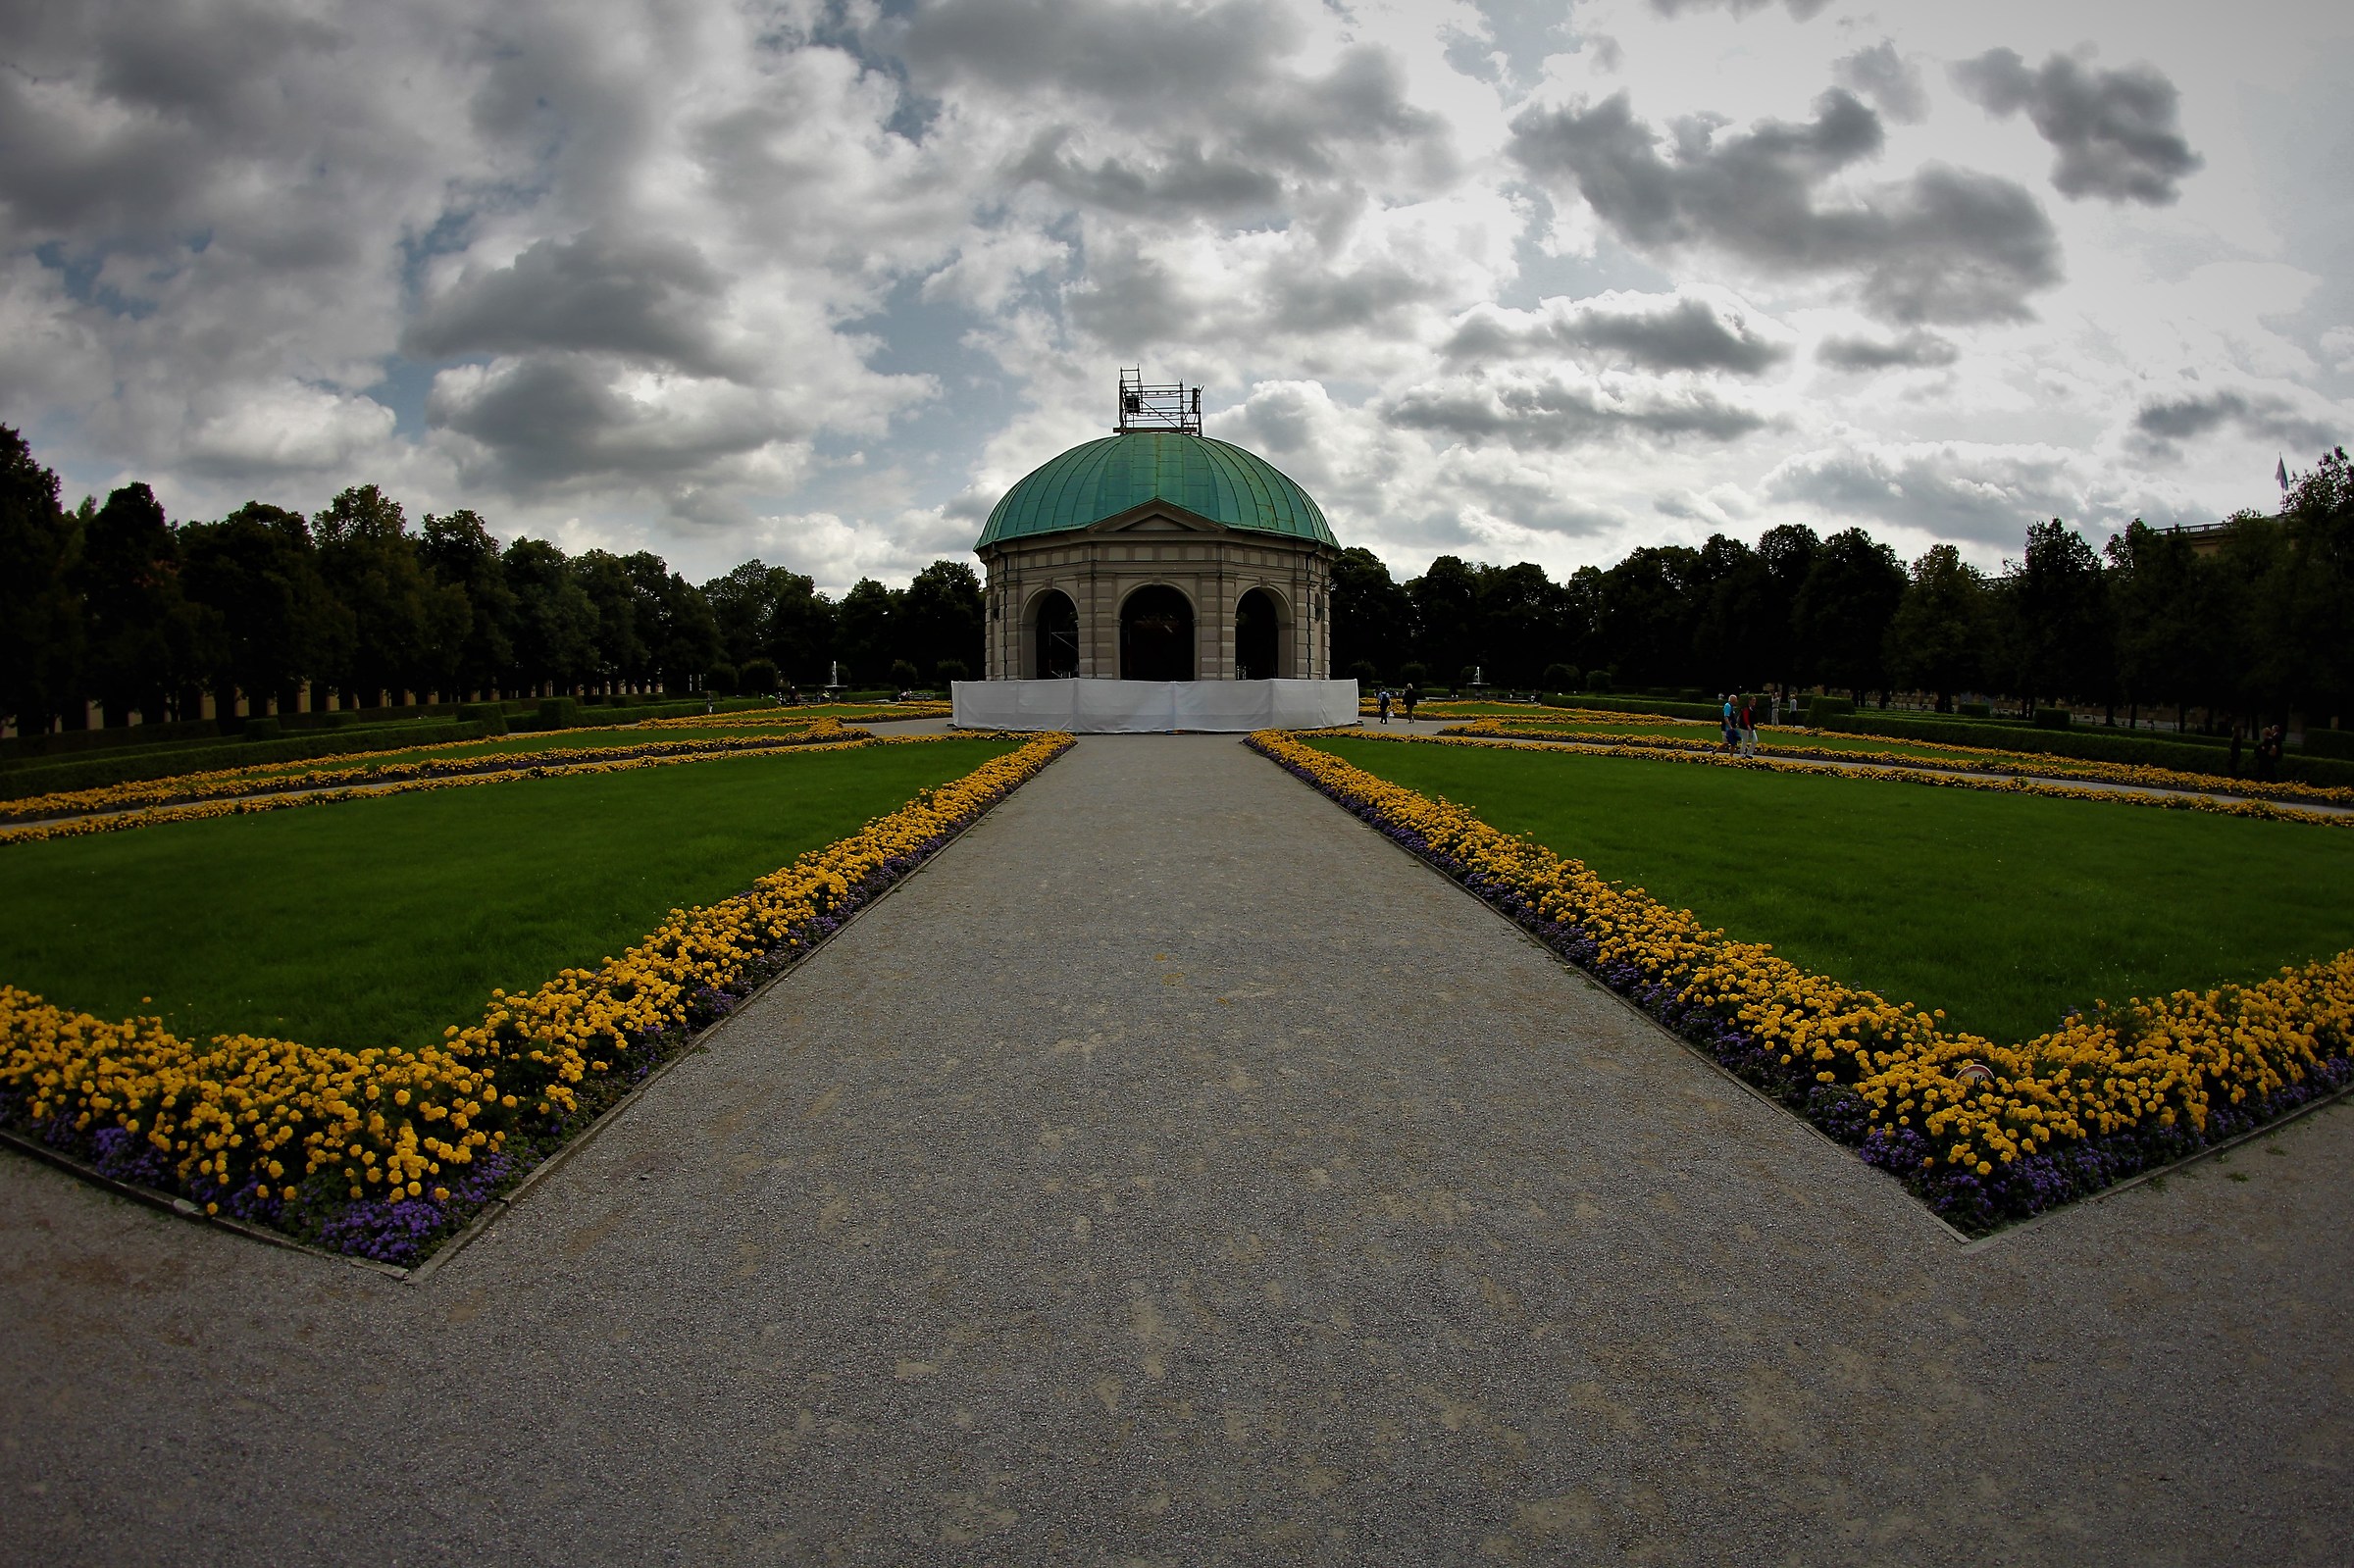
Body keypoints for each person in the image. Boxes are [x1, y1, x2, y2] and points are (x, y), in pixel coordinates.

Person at [1738, 694, 1759, 758]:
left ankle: (1749, 753)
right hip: (1744, 727)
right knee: (1745, 740)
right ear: (1749, 701)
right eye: (1753, 700)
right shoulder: (1746, 709)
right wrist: (1748, 726)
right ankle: (1742, 754)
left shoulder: (1753, 709)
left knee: (1755, 740)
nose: (1754, 702)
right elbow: (1745, 718)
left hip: (1751, 727)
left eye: (1755, 700)